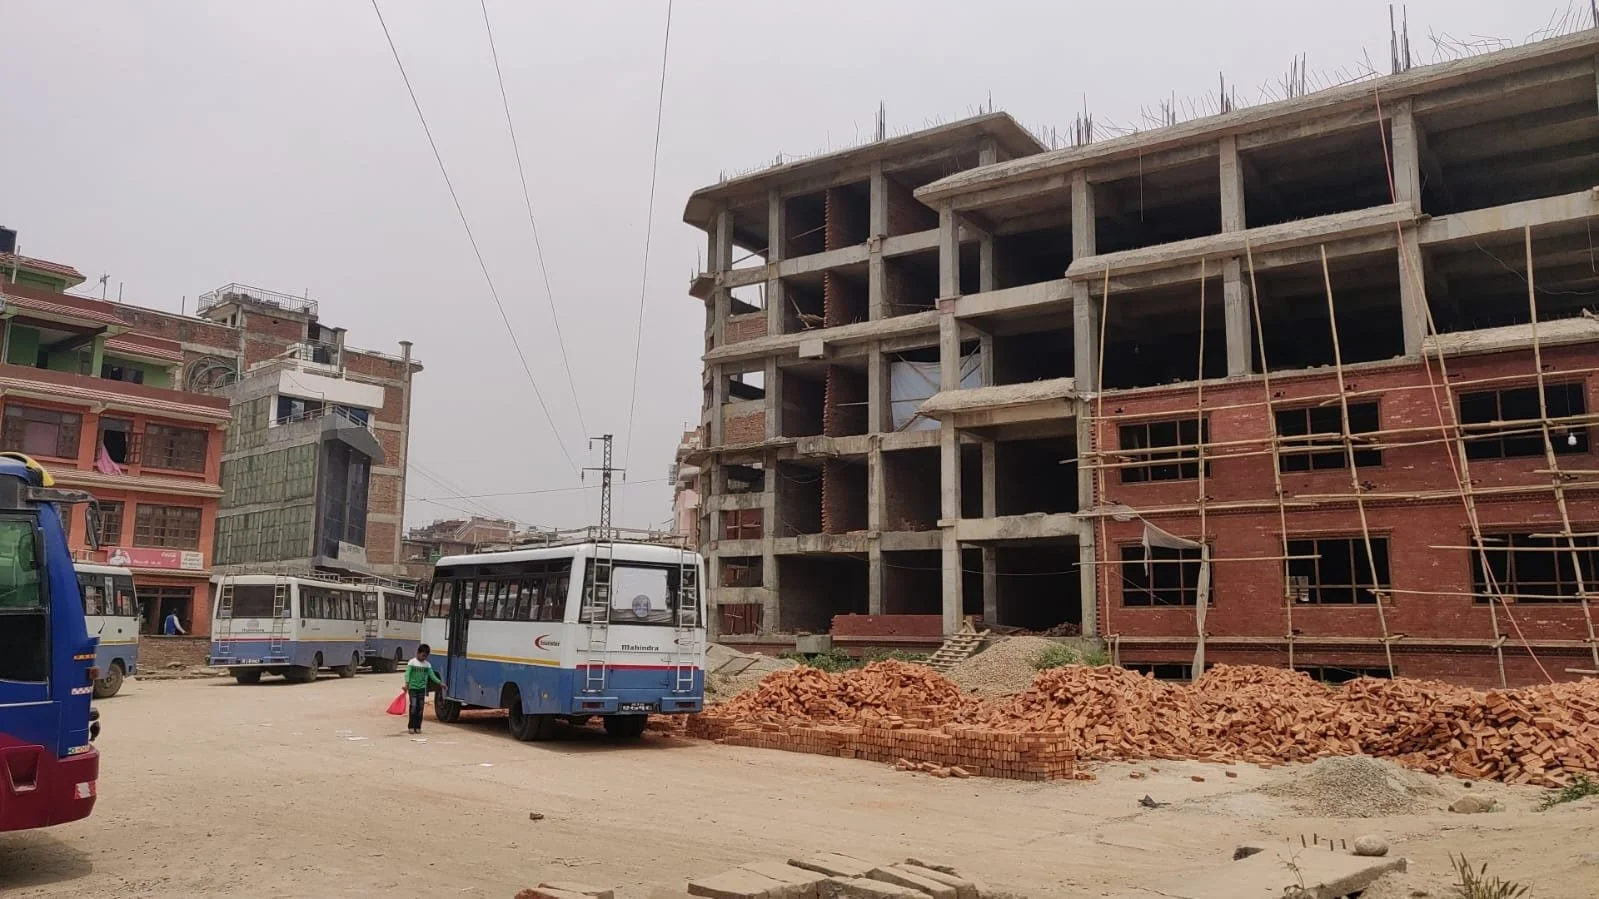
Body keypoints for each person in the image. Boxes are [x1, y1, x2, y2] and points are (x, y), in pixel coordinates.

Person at [404, 644, 444, 734]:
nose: (423, 658)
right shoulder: (412, 662)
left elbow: (432, 675)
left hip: (422, 689)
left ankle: (418, 727)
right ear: (418, 653)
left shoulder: (427, 665)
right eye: (422, 655)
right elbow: (407, 674)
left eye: (425, 656)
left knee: (420, 708)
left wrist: (440, 683)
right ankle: (411, 726)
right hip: (413, 689)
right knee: (413, 707)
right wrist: (406, 684)